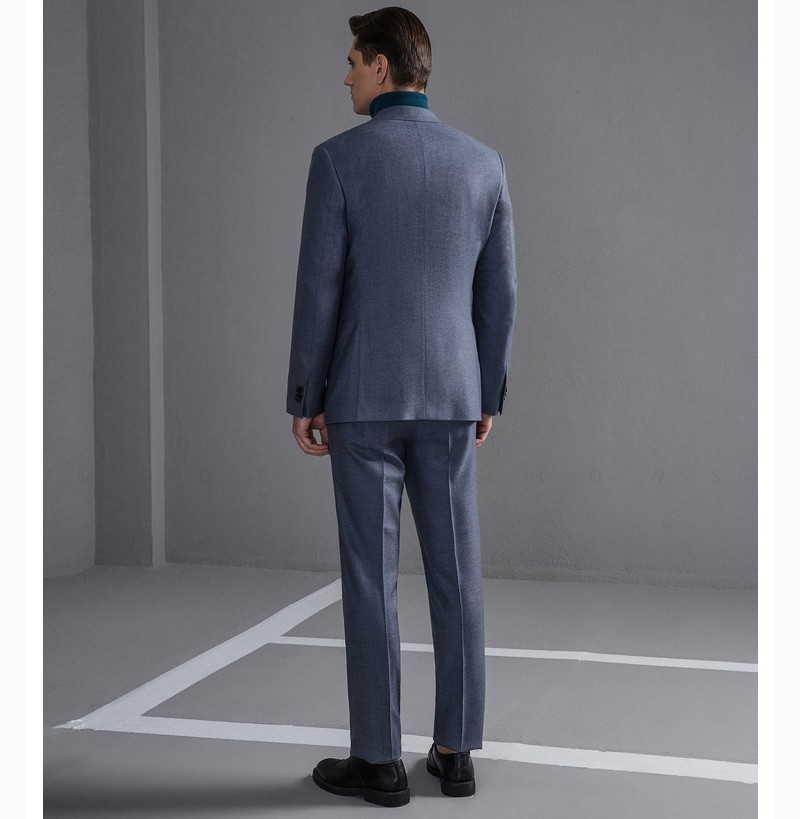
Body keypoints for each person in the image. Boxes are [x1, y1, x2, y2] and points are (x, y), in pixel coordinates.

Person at [286, 6, 517, 808]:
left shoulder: (337, 160)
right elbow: (499, 295)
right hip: (452, 395)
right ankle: (455, 752)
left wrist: (306, 393)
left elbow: (319, 289)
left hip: (362, 398)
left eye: (353, 61)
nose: (346, 75)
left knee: (369, 577)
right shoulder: (482, 164)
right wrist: (486, 391)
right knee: (457, 571)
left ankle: (379, 761)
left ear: (382, 66)